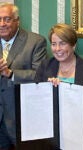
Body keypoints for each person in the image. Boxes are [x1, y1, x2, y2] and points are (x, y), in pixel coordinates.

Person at [35, 23, 83, 150]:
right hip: (50, 138)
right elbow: (37, 101)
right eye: (54, 44)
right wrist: (47, 89)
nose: (57, 49)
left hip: (82, 137)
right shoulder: (45, 66)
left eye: (62, 43)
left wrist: (80, 130)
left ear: (73, 45)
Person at [0, 2, 47, 150]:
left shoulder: (36, 42)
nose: (2, 24)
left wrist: (11, 73)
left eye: (7, 19)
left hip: (22, 119)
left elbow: (40, 76)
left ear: (17, 20)